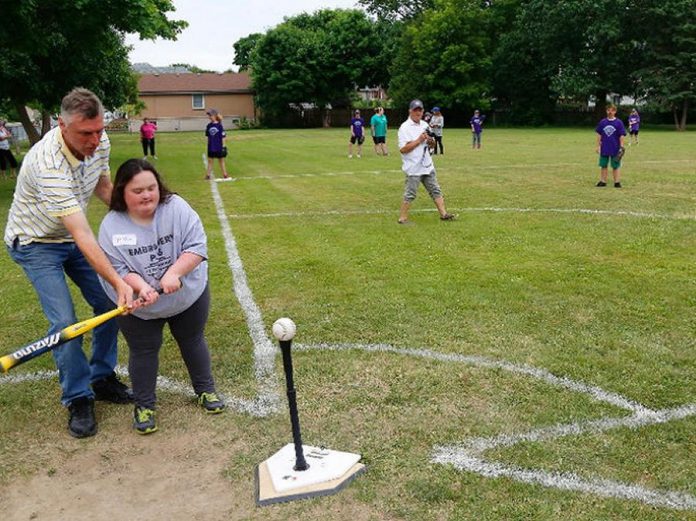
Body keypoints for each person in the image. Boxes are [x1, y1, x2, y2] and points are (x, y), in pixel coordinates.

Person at [4, 88, 135, 439]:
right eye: (85, 133)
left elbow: (103, 186)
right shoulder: (46, 163)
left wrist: (138, 217)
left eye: (98, 130)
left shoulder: (101, 142)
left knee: (107, 303)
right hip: (35, 243)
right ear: (62, 125)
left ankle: (102, 376)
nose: (95, 140)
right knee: (64, 322)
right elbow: (82, 233)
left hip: (68, 235)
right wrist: (121, 280)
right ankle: (78, 397)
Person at [98, 158, 225, 435]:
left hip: (187, 295)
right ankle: (144, 406)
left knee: (192, 340)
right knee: (143, 350)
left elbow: (197, 245)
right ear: (122, 192)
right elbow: (117, 269)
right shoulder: (111, 225)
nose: (146, 195)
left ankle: (206, 390)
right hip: (138, 305)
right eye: (137, 191)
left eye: (151, 188)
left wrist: (174, 273)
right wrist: (140, 287)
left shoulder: (176, 208)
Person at [397, 99, 456, 225]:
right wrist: (419, 140)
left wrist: (431, 142)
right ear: (410, 111)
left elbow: (432, 145)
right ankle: (402, 218)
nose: (418, 112)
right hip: (413, 167)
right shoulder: (404, 128)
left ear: (423, 111)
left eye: (420, 110)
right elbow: (403, 149)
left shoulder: (425, 125)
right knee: (410, 193)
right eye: (415, 110)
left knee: (435, 190)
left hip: (427, 165)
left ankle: (444, 214)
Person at [595, 103, 627, 188]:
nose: (610, 112)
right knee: (603, 165)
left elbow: (621, 135)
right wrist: (598, 146)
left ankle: (617, 182)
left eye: (612, 110)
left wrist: (621, 146)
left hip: (615, 147)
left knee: (615, 165)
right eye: (608, 110)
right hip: (604, 147)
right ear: (606, 111)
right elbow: (599, 134)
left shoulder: (619, 123)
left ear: (615, 111)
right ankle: (603, 181)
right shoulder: (603, 122)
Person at [205, 109, 229, 180]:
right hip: (211, 146)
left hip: (218, 146)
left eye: (211, 115)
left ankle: (225, 174)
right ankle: (208, 175)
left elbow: (223, 136)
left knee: (221, 161)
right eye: (209, 115)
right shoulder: (209, 126)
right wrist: (208, 145)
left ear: (215, 116)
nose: (209, 117)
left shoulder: (219, 126)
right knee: (210, 161)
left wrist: (223, 146)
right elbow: (207, 136)